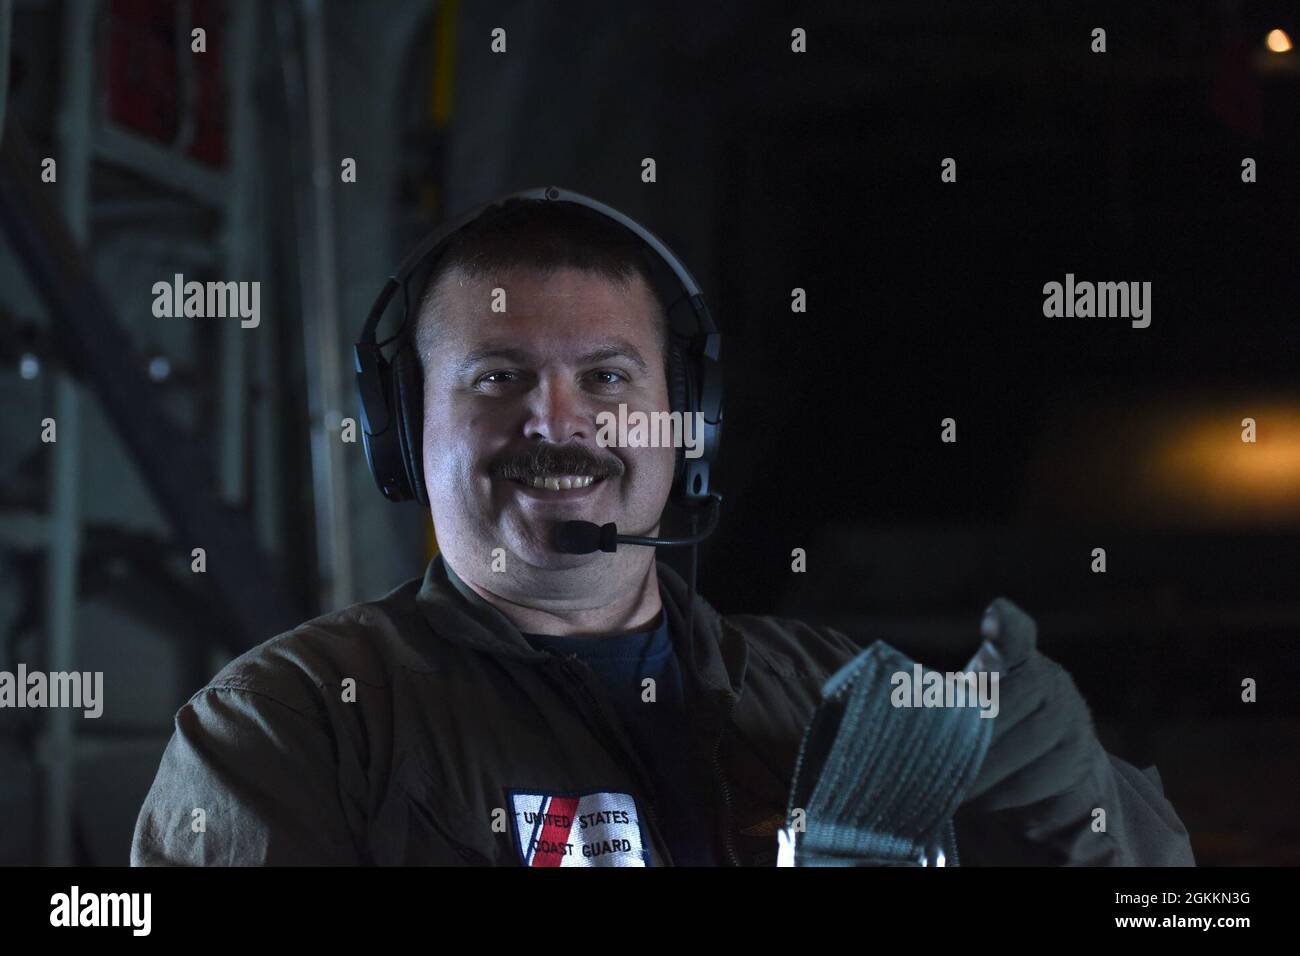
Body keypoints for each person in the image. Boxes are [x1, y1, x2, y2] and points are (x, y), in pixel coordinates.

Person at [131, 197, 1194, 866]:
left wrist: (1086, 807)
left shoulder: (839, 693)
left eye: (606, 376)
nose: (559, 421)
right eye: (498, 377)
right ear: (401, 433)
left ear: (686, 426)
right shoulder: (287, 728)